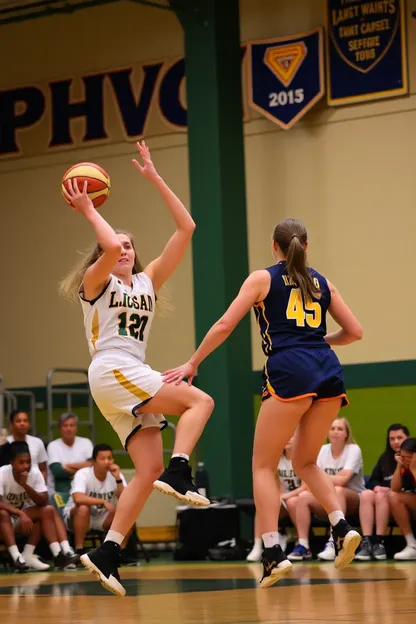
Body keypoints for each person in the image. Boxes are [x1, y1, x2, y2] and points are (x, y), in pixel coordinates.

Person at [163, 218, 363, 587]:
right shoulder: (322, 282)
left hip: (289, 368)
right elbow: (355, 332)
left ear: (275, 246)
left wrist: (193, 362)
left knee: (262, 466)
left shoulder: (262, 278)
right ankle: (341, 525)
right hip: (327, 369)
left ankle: (272, 552)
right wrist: (318, 344)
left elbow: (225, 324)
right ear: (306, 246)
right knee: (305, 460)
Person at [60, 141, 214, 596]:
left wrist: (155, 178)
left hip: (128, 373)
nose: (123, 249)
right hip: (111, 369)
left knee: (145, 470)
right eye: (117, 246)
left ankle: (108, 551)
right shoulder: (96, 282)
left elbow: (187, 227)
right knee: (200, 400)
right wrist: (89, 209)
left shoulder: (147, 282)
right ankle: (181, 470)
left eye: (129, 246)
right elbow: (105, 242)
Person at [289, 418, 364, 562]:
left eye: (340, 429)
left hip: (354, 499)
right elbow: (311, 479)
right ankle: (303, 545)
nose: (336, 432)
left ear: (346, 434)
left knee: (339, 489)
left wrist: (320, 477)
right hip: (328, 498)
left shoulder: (353, 449)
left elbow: (343, 480)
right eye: (333, 428)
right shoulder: (322, 450)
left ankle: (334, 541)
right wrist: (325, 478)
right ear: (327, 433)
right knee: (303, 496)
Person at [0, 442, 78, 571]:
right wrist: (20, 513)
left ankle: (57, 554)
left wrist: (25, 486)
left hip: (20, 520)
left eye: (28, 461)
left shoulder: (35, 473)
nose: (26, 466)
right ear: (12, 463)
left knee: (47, 510)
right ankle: (17, 557)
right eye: (21, 462)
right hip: (4, 522)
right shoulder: (2, 473)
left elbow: (43, 500)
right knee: (3, 513)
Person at [355, 423, 410, 561]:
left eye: (399, 437)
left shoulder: (411, 458)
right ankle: (367, 542)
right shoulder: (385, 458)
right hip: (382, 502)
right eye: (392, 439)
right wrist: (376, 487)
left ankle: (379, 541)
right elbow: (373, 480)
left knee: (383, 495)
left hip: (399, 501)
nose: (396, 442)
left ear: (407, 439)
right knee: (367, 494)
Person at [63, 444, 129, 555]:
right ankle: (79, 550)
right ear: (93, 461)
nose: (107, 462)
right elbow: (77, 498)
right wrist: (102, 502)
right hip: (78, 517)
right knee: (83, 508)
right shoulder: (83, 474)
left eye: (110, 458)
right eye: (103, 459)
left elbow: (125, 500)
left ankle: (120, 552)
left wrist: (118, 479)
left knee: (127, 512)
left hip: (102, 517)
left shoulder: (116, 475)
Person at [247, 436, 302, 562]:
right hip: (285, 497)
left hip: (301, 497)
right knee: (263, 505)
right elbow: (278, 486)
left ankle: (301, 542)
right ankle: (258, 545)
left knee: (294, 502)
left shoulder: (301, 458)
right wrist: (279, 497)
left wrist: (286, 496)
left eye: (292, 436)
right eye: (286, 436)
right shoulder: (278, 460)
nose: (288, 439)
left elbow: (306, 487)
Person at [389, 437, 416, 560]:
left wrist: (414, 469)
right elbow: (394, 488)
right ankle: (412, 545)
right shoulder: (404, 466)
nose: (404, 460)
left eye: (407, 457)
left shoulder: (412, 467)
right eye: (402, 456)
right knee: (393, 496)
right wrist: (399, 466)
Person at [7, 410, 47, 481]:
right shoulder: (5, 444)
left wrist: (40, 487)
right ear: (11, 424)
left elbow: (43, 469)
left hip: (34, 486)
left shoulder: (38, 442)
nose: (22, 424)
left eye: (25, 421)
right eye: (18, 421)